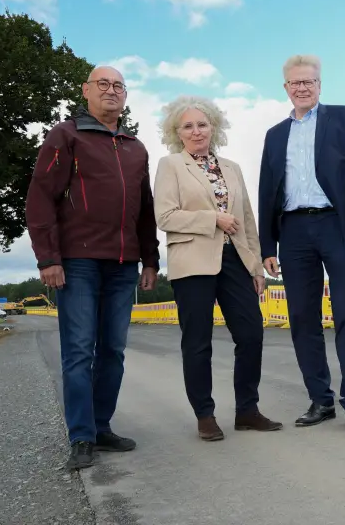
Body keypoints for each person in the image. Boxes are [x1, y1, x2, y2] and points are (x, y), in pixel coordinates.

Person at [25, 65, 160, 471]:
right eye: (103, 84)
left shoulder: (135, 147)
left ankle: (101, 426)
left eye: (118, 85)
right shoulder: (65, 135)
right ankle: (80, 436)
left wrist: (150, 258)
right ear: (85, 91)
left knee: (113, 351)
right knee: (79, 351)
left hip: (123, 265)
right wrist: (48, 258)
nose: (111, 91)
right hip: (78, 261)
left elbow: (145, 209)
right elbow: (41, 196)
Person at [257, 55, 345, 432]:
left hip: (337, 228)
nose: (303, 87)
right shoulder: (275, 135)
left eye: (309, 81)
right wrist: (267, 246)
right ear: (286, 88)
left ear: (320, 85)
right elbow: (266, 191)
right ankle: (320, 400)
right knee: (303, 320)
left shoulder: (344, 118)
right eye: (295, 83)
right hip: (293, 232)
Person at [154, 96, 283, 441]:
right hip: (192, 261)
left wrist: (256, 266)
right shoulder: (171, 166)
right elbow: (165, 216)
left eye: (202, 124)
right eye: (188, 126)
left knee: (251, 333)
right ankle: (205, 415)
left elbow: (246, 220)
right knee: (198, 342)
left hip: (235, 260)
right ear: (177, 133)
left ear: (214, 127)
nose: (196, 131)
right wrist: (213, 219)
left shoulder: (231, 168)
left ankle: (247, 410)